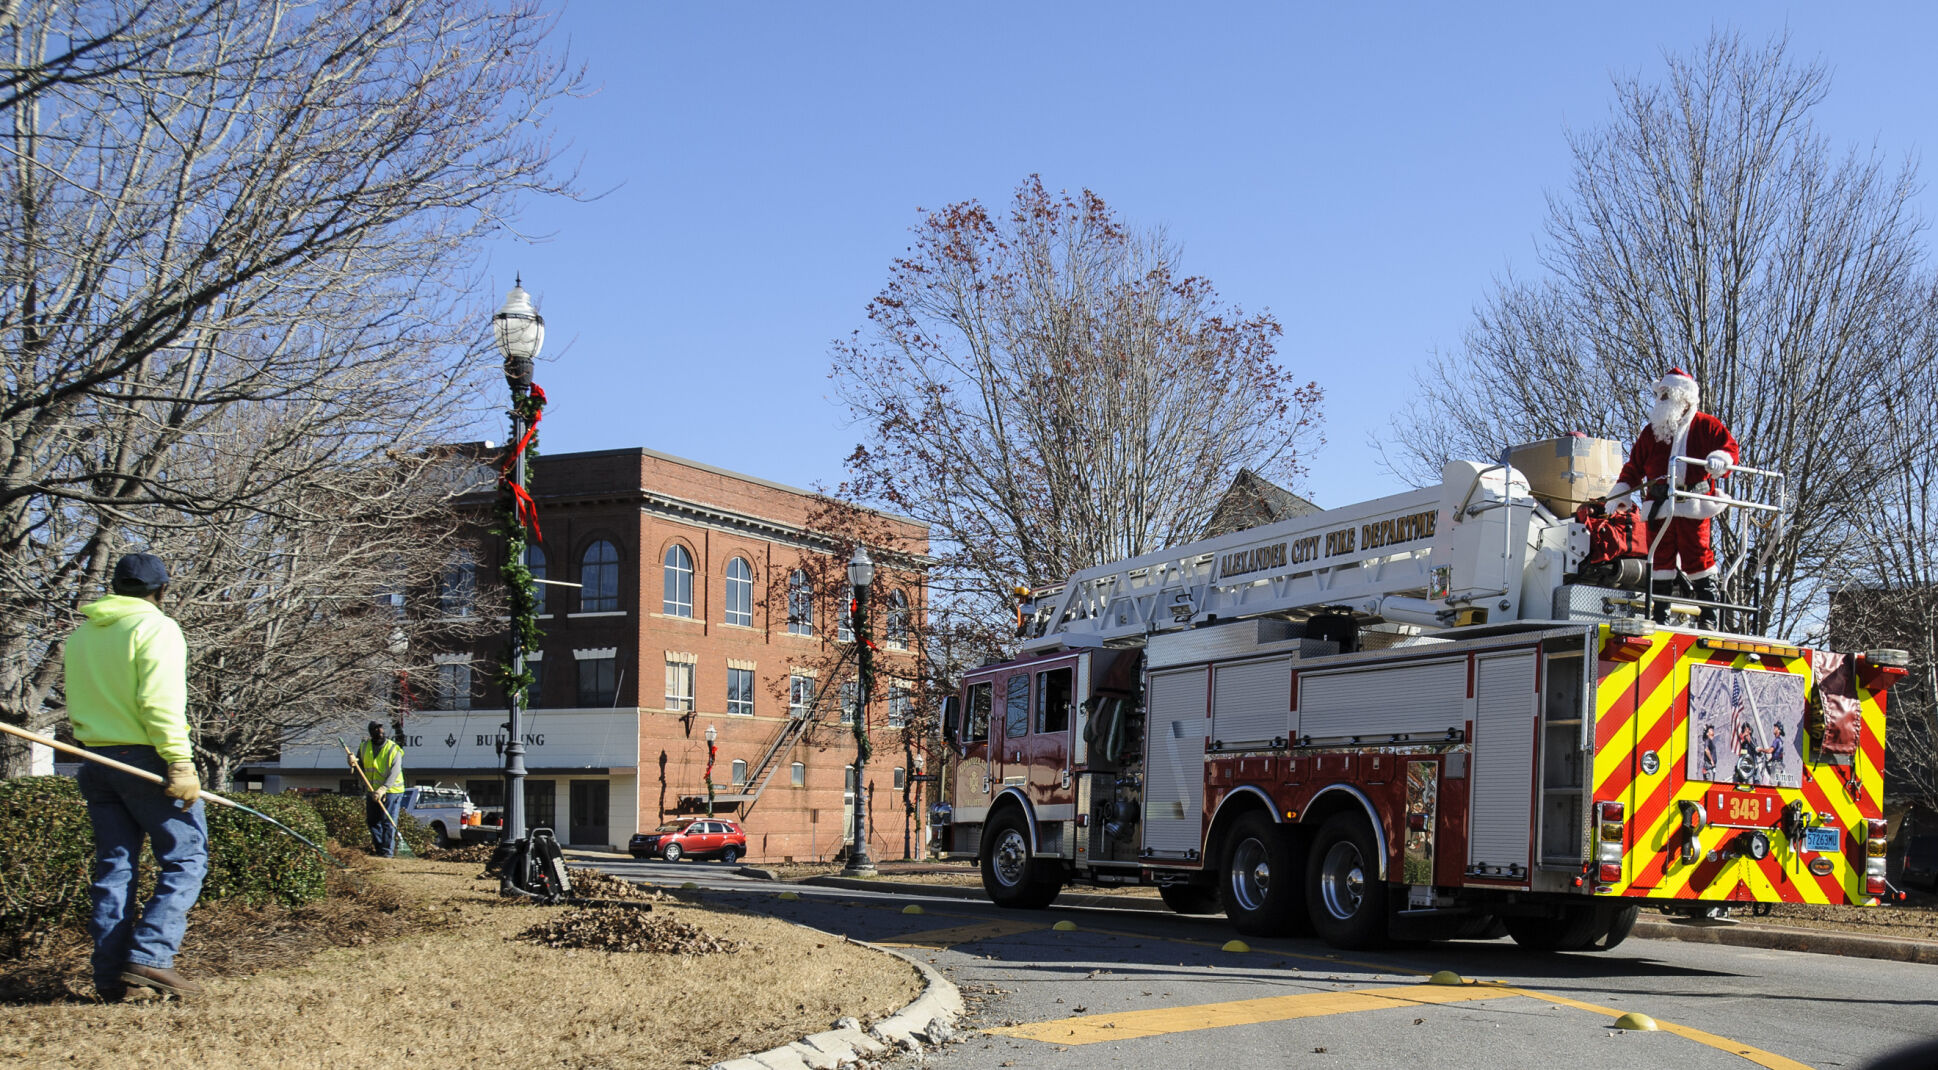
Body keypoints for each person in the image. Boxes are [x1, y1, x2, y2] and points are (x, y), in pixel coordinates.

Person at [65, 552, 205, 1001]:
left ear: (114, 586)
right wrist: (179, 761)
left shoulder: (82, 635)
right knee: (186, 858)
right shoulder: (156, 628)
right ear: (162, 589)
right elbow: (160, 701)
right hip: (145, 759)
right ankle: (150, 957)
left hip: (95, 758)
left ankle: (110, 975)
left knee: (115, 867)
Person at [1596, 368, 1739, 626]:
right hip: (1659, 508)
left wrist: (1721, 459)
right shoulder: (1651, 433)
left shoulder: (1706, 425)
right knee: (1660, 559)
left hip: (1693, 505)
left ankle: (1709, 617)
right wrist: (1621, 491)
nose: (1661, 399)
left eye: (1666, 393)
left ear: (1683, 396)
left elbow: (1729, 448)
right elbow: (1634, 466)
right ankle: (1660, 616)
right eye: (1659, 394)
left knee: (1698, 557)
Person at [355, 720, 405, 856]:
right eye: (376, 729)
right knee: (373, 821)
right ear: (371, 732)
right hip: (372, 790)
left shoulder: (393, 748)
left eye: (381, 728)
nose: (380, 731)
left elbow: (394, 772)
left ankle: (387, 852)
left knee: (388, 821)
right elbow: (359, 766)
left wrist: (383, 789)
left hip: (392, 791)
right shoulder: (364, 747)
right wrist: (352, 762)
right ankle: (379, 849)